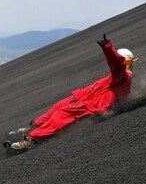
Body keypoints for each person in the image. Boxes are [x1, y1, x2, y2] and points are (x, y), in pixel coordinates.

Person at [7, 33, 138, 151]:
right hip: (85, 97)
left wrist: (108, 49)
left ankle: (32, 139)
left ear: (125, 61)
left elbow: (117, 64)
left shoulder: (123, 74)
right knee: (59, 106)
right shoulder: (120, 76)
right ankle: (34, 127)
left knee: (63, 113)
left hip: (95, 104)